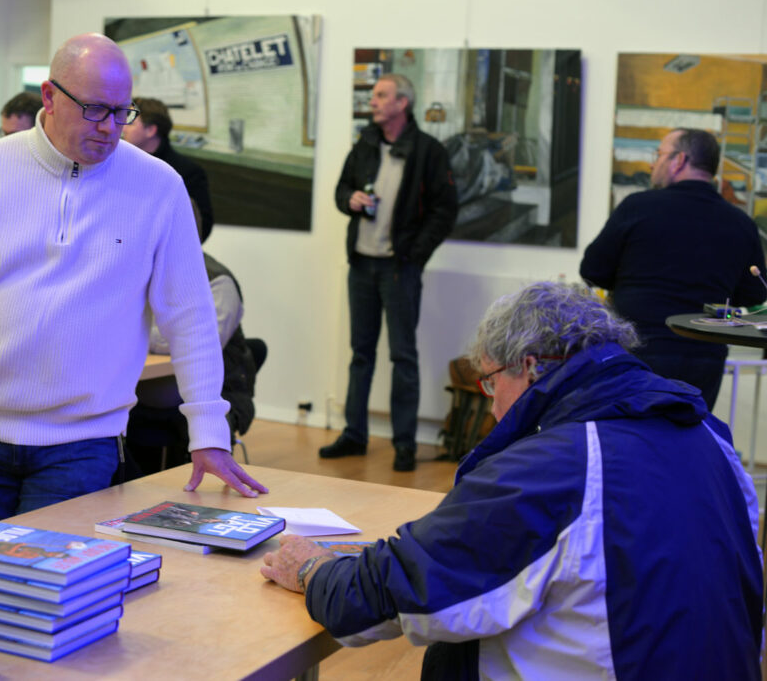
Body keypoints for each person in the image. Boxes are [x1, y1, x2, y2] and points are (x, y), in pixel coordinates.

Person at [262, 282, 762, 680]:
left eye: (491, 380)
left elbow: (380, 599)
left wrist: (312, 570)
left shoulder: (557, 467)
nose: (493, 404)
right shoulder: (710, 437)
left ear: (528, 366)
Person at [0, 33, 267, 535]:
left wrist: (208, 430)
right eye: (95, 109)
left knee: (54, 598)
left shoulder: (159, 187)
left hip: (82, 445)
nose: (110, 128)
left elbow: (190, 318)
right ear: (49, 97)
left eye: (122, 112)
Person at [320, 73, 458, 471]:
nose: (374, 101)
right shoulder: (363, 145)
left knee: (403, 356)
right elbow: (340, 191)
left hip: (400, 267)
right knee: (360, 353)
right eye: (374, 95)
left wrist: (413, 254)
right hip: (362, 262)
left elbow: (445, 210)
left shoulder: (428, 151)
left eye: (381, 95)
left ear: (402, 103)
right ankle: (354, 435)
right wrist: (352, 199)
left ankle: (404, 444)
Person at [581, 128, 766, 409]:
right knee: (685, 442)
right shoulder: (741, 224)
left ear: (679, 160)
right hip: (704, 357)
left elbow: (593, 270)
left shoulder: (638, 207)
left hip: (637, 349)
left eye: (659, 155)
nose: (653, 164)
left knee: (630, 441)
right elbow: (752, 295)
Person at [125, 201, 256, 476]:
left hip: (216, 396)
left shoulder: (218, 281)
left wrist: (129, 330)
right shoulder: (135, 271)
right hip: (143, 394)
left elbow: (197, 340)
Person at [121, 96, 215, 242]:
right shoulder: (120, 163)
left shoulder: (189, 172)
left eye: (131, 123)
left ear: (151, 130)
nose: (123, 127)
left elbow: (201, 228)